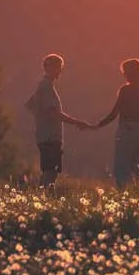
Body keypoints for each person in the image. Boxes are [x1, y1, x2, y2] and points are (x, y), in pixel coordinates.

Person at [24, 53, 90, 187]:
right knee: (51, 172)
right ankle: (43, 199)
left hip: (44, 135)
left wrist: (40, 118)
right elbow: (53, 113)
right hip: (50, 137)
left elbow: (30, 105)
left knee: (49, 170)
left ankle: (42, 197)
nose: (59, 71)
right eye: (57, 67)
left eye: (60, 67)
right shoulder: (47, 87)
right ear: (48, 68)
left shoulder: (42, 87)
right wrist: (77, 123)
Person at [92, 58, 139, 188]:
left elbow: (114, 113)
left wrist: (98, 125)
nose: (124, 74)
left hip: (127, 131)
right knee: (136, 170)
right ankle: (136, 195)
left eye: (125, 71)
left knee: (122, 169)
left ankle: (123, 196)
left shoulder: (126, 90)